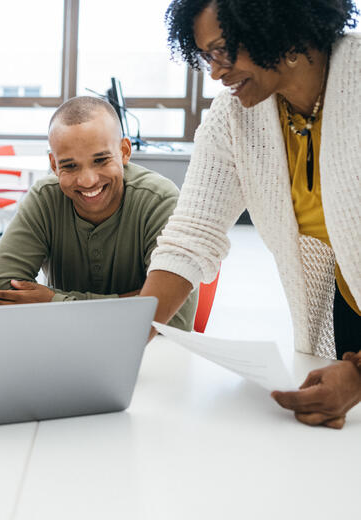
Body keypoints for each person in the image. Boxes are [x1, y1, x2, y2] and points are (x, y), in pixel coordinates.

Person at [142, 0, 361, 428]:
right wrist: (126, 339)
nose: (216, 72)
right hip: (345, 323)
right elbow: (191, 236)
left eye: (223, 50)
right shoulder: (235, 116)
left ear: (278, 24)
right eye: (207, 55)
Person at [0, 97, 197, 330]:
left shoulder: (160, 201)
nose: (87, 180)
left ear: (124, 151)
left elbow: (174, 320)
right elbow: (0, 294)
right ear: (54, 166)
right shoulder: (44, 199)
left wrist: (52, 301)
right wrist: (137, 302)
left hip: (148, 353)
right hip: (63, 348)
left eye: (101, 160)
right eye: (70, 166)